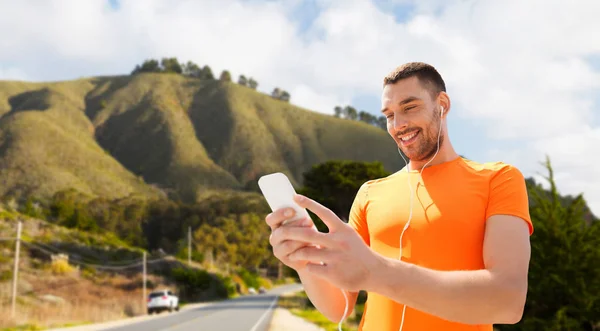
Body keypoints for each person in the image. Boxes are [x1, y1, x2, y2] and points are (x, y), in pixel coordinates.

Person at [265, 62, 533, 331]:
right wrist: (304, 262)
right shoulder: (370, 193)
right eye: (389, 114)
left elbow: (507, 300)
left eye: (410, 107)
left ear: (443, 104)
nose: (399, 124)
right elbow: (339, 308)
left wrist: (377, 272)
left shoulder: (498, 179)